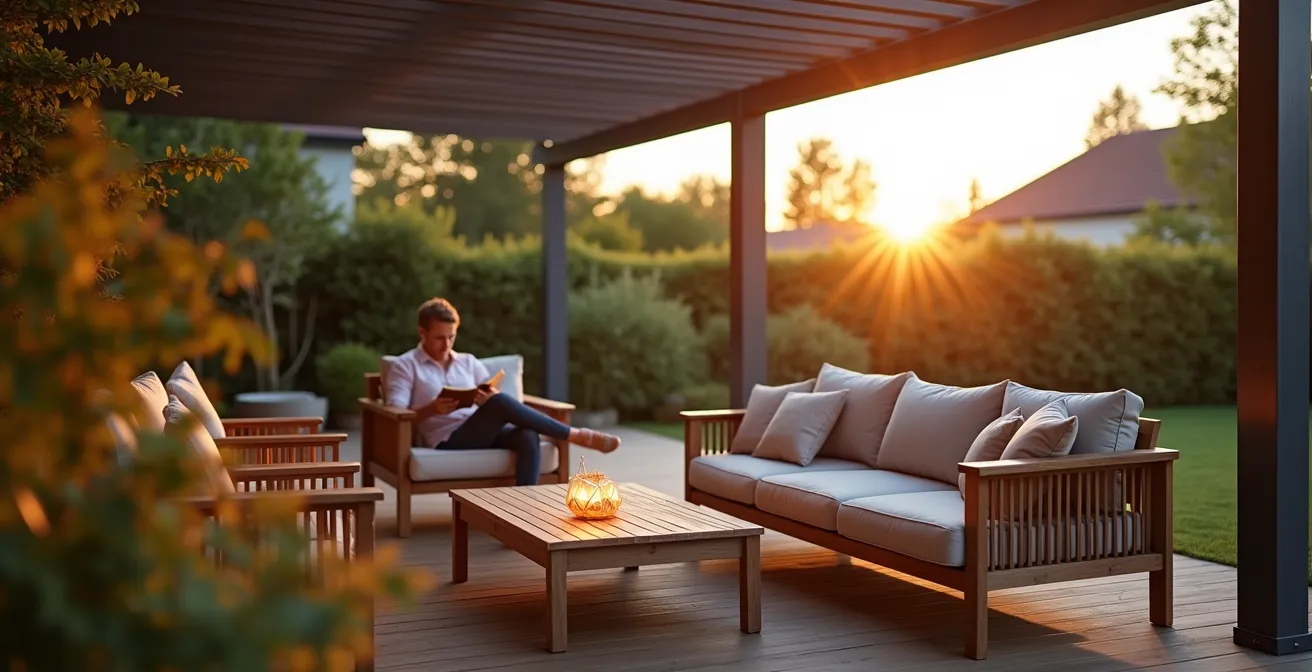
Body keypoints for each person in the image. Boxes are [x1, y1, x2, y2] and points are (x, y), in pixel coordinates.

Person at [384, 297, 621, 486]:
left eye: (451, 337)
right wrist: (432, 408)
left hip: (483, 431)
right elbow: (396, 413)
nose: (446, 345)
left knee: (527, 434)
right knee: (499, 404)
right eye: (439, 338)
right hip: (448, 439)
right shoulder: (406, 366)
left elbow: (489, 395)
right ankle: (575, 435)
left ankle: (521, 513)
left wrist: (485, 398)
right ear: (422, 332)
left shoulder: (467, 361)